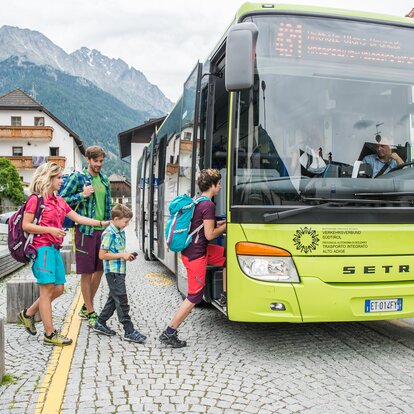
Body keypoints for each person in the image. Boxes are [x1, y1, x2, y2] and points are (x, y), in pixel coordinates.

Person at [17, 162, 109, 346]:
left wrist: (103, 223)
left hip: (54, 249)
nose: (62, 180)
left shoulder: (59, 201)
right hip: (41, 249)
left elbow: (79, 218)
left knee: (58, 289)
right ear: (48, 178)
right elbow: (26, 225)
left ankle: (28, 314)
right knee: (47, 290)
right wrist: (51, 229)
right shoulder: (36, 199)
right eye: (58, 177)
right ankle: (50, 334)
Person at [159, 169, 226, 348]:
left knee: (227, 258)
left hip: (197, 249)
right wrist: (224, 228)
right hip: (196, 254)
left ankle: (225, 295)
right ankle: (169, 332)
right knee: (194, 296)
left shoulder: (198, 201)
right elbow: (210, 233)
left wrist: (219, 224)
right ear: (212, 185)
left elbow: (200, 225)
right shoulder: (209, 205)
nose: (220, 186)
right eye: (218, 183)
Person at [60, 145, 111, 327]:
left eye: (101, 161)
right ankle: (90, 311)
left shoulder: (104, 180)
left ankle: (85, 307)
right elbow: (61, 200)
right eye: (95, 161)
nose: (99, 164)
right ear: (88, 160)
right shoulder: (78, 177)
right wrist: (82, 195)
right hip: (84, 231)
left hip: (102, 231)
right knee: (87, 272)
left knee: (100, 269)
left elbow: (107, 206)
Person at [93, 204, 147, 343]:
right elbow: (102, 255)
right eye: (125, 221)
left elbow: (118, 253)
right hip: (113, 272)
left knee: (113, 298)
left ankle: (100, 322)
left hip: (120, 271)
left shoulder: (119, 231)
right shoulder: (109, 233)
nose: (127, 224)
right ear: (116, 219)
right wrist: (122, 255)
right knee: (121, 300)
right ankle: (129, 330)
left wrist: (126, 256)